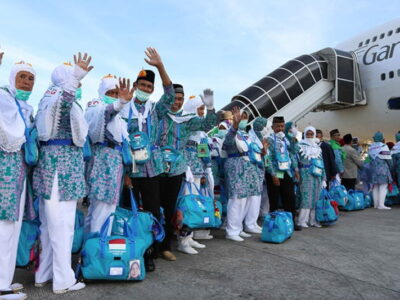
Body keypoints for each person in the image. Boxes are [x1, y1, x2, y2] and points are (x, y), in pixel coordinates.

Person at [33, 53, 92, 294]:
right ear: (64, 79)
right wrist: (74, 78)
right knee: (62, 226)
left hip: (54, 167)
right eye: (71, 77)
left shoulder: (47, 97)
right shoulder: (58, 96)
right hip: (61, 169)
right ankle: (63, 280)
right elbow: (64, 105)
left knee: (49, 226)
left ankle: (44, 274)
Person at [120, 48, 174, 267]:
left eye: (149, 87)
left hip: (151, 167)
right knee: (128, 209)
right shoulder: (124, 108)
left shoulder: (154, 109)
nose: (145, 89)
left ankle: (150, 253)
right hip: (130, 168)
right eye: (142, 85)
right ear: (135, 86)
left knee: (152, 210)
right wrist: (125, 173)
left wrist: (160, 66)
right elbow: (120, 140)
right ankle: (129, 251)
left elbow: (170, 95)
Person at [157, 86, 216, 256]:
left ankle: (169, 245)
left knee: (176, 207)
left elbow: (207, 124)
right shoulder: (159, 116)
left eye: (180, 99)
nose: (177, 102)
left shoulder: (186, 120)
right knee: (155, 208)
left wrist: (210, 108)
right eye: (174, 98)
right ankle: (154, 244)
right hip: (157, 168)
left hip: (178, 170)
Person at [0, 57, 36, 300]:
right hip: (5, 170)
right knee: (4, 226)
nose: (26, 82)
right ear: (12, 78)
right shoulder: (4, 98)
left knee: (13, 226)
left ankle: (5, 279)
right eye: (22, 76)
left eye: (31, 78)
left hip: (19, 172)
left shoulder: (26, 108)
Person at [84, 75, 131, 233]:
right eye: (111, 92)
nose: (115, 96)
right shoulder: (96, 106)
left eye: (117, 93)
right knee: (103, 207)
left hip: (114, 162)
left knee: (101, 207)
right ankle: (97, 249)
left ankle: (90, 248)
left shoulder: (120, 116)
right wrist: (119, 103)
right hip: (103, 160)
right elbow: (104, 114)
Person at [223, 107, 265, 241]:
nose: (243, 120)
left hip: (249, 168)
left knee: (246, 199)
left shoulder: (247, 134)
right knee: (237, 199)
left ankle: (239, 227)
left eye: (245, 118)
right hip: (236, 167)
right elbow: (228, 142)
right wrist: (234, 125)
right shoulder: (231, 131)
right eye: (242, 117)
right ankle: (231, 231)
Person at [266, 116, 302, 231]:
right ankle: (274, 223)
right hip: (274, 173)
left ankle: (290, 221)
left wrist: (296, 170)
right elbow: (267, 158)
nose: (280, 129)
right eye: (277, 126)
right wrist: (273, 174)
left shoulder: (286, 139)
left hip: (286, 172)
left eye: (282, 126)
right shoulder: (269, 139)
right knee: (274, 199)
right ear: (273, 127)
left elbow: (292, 154)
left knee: (290, 198)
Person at [297, 127, 326, 228]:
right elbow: (295, 160)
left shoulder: (318, 148)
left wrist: (323, 178)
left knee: (315, 197)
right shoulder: (300, 145)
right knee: (306, 197)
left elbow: (322, 163)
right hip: (305, 174)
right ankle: (302, 220)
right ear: (304, 134)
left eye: (311, 134)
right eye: (308, 134)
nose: (309, 136)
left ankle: (313, 220)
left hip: (317, 175)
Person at [368, 131, 393, 209]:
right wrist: (391, 168)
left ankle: (376, 204)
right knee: (383, 187)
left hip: (373, 170)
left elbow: (369, 159)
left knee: (375, 187)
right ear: (381, 138)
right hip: (383, 170)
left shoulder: (371, 147)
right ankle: (381, 205)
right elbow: (389, 159)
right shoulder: (383, 146)